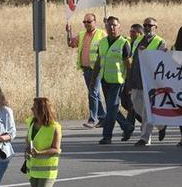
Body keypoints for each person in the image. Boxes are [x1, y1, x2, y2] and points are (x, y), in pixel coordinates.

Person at [91, 16, 136, 144]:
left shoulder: (123, 43)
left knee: (111, 108)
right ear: (105, 27)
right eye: (109, 25)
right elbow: (99, 62)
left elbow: (129, 65)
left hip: (118, 82)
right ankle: (127, 126)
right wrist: (93, 80)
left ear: (119, 27)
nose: (112, 28)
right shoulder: (103, 42)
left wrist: (129, 83)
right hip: (105, 81)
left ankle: (107, 136)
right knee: (112, 108)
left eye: (114, 25)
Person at [25, 97, 61, 187]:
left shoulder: (54, 127)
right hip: (33, 167)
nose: (32, 109)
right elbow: (27, 141)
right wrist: (27, 148)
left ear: (42, 109)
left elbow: (56, 149)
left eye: (34, 107)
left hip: (48, 169)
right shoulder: (31, 123)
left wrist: (40, 153)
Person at [66, 13, 106, 129]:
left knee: (92, 93)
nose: (86, 24)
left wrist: (107, 24)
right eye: (84, 22)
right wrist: (68, 32)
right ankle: (102, 117)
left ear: (95, 22)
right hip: (86, 69)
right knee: (95, 93)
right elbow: (71, 44)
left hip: (97, 69)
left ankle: (92, 119)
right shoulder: (82, 34)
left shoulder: (101, 34)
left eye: (89, 22)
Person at [131, 17, 167, 146]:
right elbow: (133, 61)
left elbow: (160, 61)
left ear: (155, 27)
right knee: (137, 106)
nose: (147, 27)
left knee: (147, 110)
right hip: (136, 80)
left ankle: (145, 138)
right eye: (145, 25)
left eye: (149, 25)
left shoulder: (160, 42)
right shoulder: (137, 41)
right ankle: (160, 125)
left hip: (150, 82)